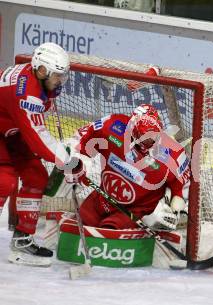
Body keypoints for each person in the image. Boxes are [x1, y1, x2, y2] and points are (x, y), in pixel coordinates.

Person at [0, 42, 84, 266]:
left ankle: (22, 240)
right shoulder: (26, 93)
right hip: (5, 131)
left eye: (63, 76)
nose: (60, 81)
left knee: (36, 177)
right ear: (42, 70)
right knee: (4, 181)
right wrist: (68, 162)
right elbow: (38, 140)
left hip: (10, 130)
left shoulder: (37, 80)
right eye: (57, 76)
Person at [67, 104, 190, 231]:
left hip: (135, 212)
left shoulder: (174, 153)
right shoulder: (112, 125)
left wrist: (173, 207)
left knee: (110, 230)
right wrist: (77, 162)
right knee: (79, 224)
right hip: (101, 198)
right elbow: (82, 139)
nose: (149, 143)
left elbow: (183, 184)